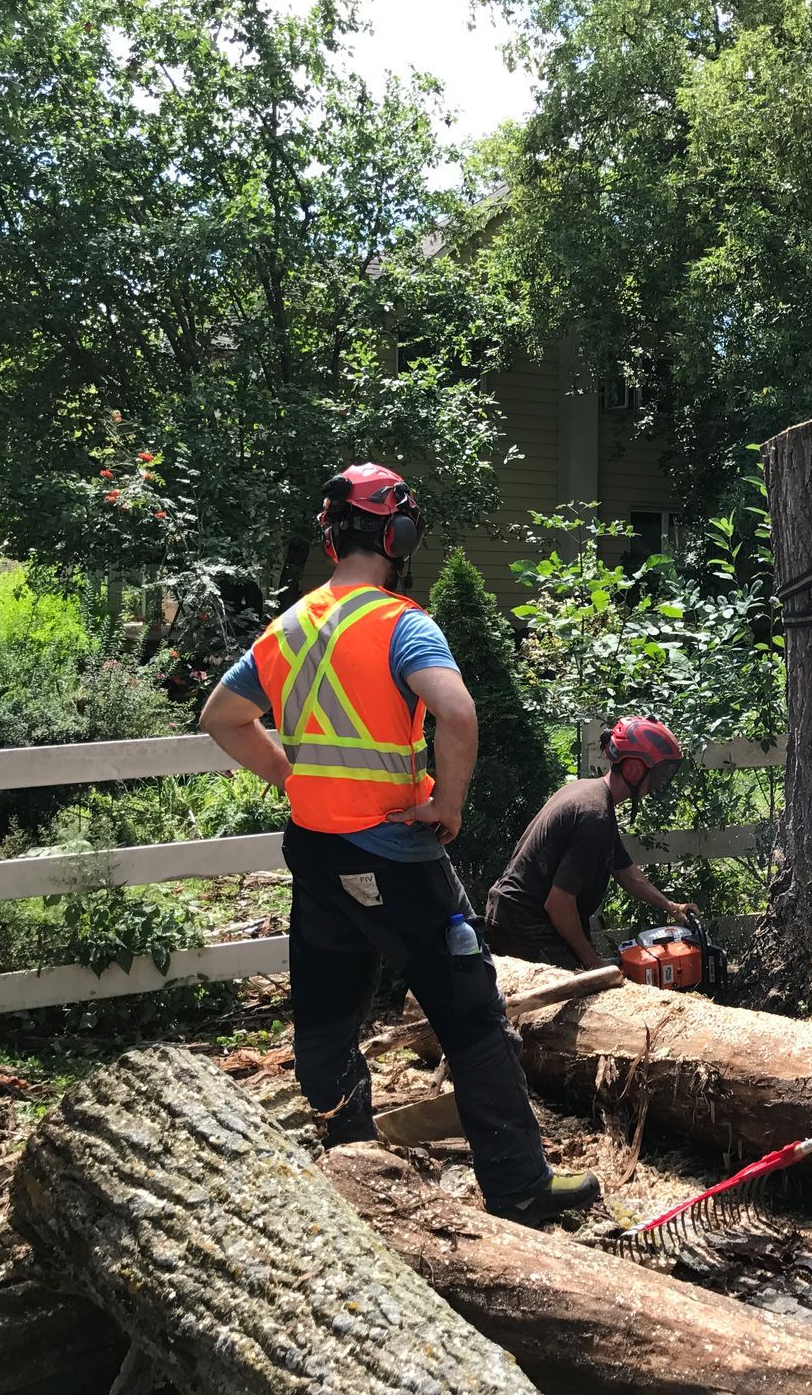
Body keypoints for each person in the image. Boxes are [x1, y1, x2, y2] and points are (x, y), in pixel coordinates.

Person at [199, 462, 598, 1226]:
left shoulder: (288, 628)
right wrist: (448, 803)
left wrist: (291, 775)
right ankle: (519, 1185)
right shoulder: (402, 624)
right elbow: (458, 714)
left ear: (331, 538)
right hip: (395, 855)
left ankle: (350, 1171)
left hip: (317, 851)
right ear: (400, 536)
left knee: (325, 1019)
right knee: (471, 1015)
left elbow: (221, 717)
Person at [487, 716, 700, 970]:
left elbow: (625, 872)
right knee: (593, 985)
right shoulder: (594, 816)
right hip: (524, 927)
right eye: (659, 773)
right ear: (634, 769)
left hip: (519, 919)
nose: (660, 781)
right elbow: (559, 904)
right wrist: (593, 964)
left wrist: (671, 906)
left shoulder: (592, 796)